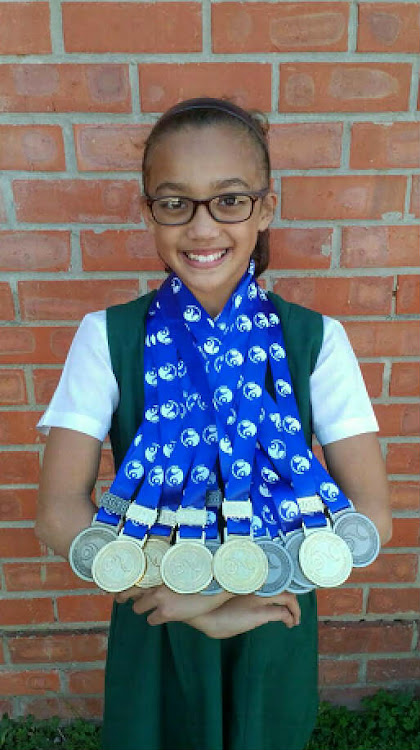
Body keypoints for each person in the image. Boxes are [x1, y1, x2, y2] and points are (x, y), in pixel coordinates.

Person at [36, 97, 392, 750]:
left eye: (229, 200)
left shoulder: (316, 340)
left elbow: (372, 516)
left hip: (278, 602)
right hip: (156, 611)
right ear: (149, 211)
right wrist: (192, 605)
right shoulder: (106, 338)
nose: (203, 229)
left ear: (265, 206)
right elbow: (59, 512)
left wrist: (222, 603)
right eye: (175, 203)